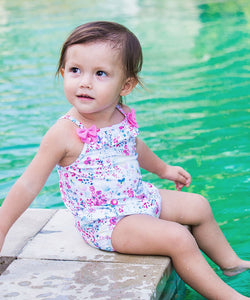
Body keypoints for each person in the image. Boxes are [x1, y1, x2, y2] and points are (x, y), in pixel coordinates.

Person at [0, 21, 249, 299]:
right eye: (75, 70)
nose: (84, 82)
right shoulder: (63, 133)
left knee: (199, 206)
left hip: (135, 198)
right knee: (178, 238)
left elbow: (133, 147)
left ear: (126, 84)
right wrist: (2, 227)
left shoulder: (120, 113)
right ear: (63, 72)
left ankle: (231, 264)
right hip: (107, 221)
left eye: (100, 73)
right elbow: (27, 185)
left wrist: (164, 169)